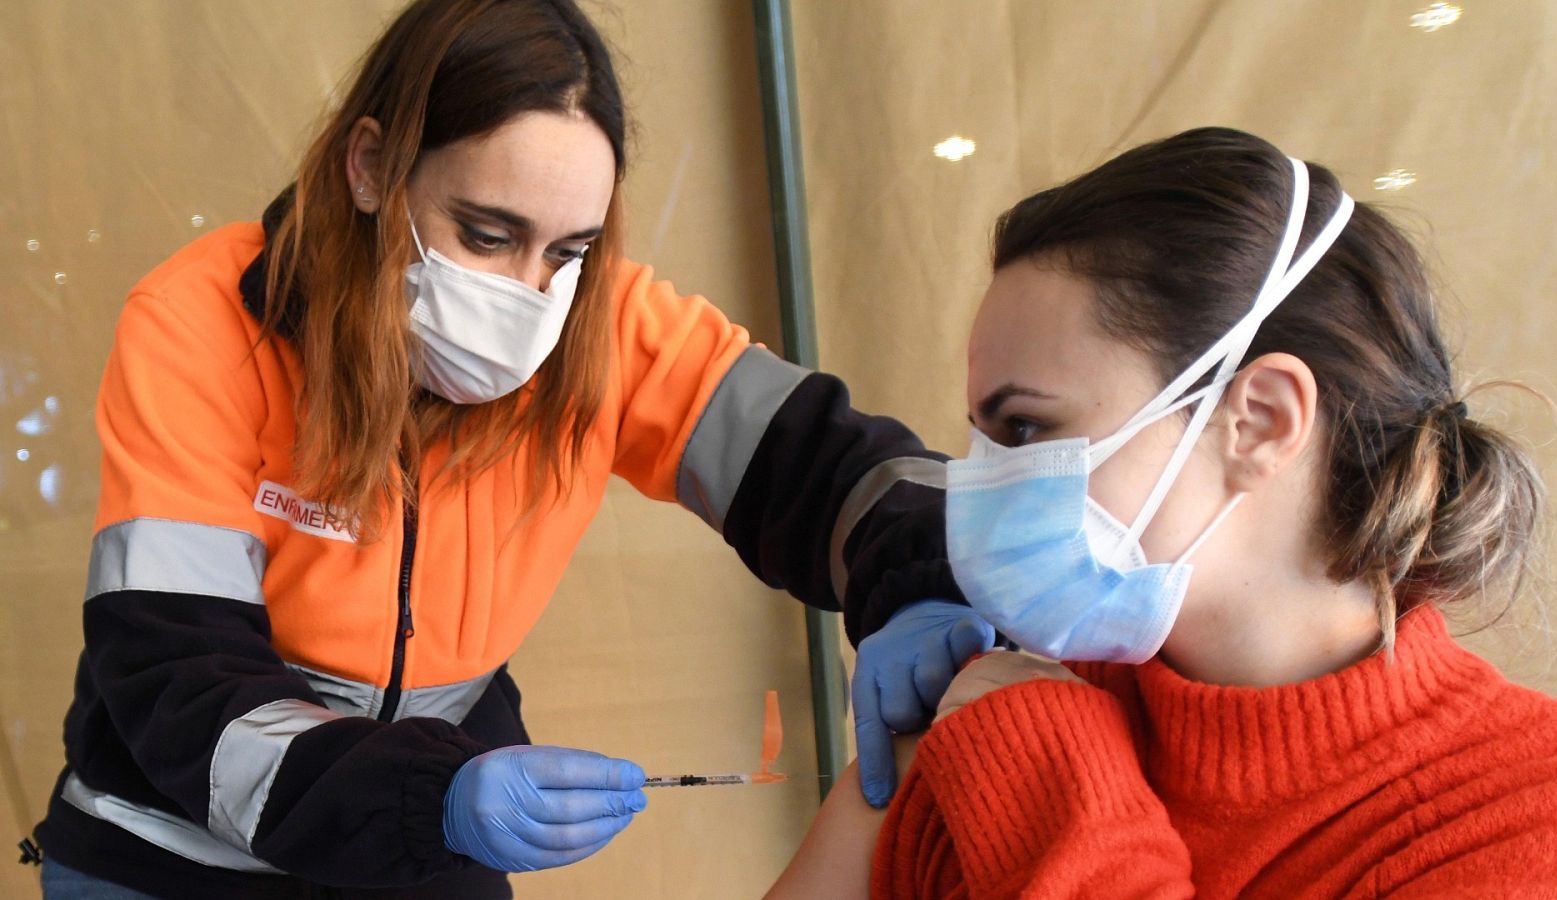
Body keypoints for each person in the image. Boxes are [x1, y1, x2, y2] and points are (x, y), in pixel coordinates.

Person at [29, 1, 995, 896]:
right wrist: (431, 799)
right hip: (168, 852)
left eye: (567, 252)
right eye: (487, 234)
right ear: (370, 168)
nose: (528, 298)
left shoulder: (604, 329)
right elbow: (180, 679)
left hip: (419, 842)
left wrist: (920, 577)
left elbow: (823, 464)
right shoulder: (201, 323)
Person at [766, 127, 1557, 898]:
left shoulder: (1546, 818)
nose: (975, 497)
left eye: (1026, 429)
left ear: (1260, 421)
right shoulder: (993, 706)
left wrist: (1046, 778)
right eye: (984, 438)